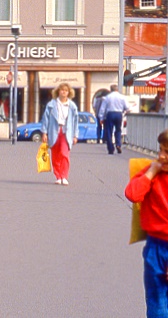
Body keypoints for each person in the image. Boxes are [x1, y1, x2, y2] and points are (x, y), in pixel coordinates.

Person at [126, 129, 168, 318]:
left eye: (167, 152)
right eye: (160, 150)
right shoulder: (153, 172)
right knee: (156, 299)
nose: (161, 156)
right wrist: (150, 173)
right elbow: (132, 194)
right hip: (155, 246)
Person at [41, 82, 78, 185]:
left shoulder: (72, 106)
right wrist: (44, 133)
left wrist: (75, 135)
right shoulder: (51, 105)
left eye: (66, 90)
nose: (64, 92)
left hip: (66, 132)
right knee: (55, 155)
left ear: (69, 92)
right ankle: (58, 176)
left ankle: (64, 176)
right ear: (58, 92)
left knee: (64, 154)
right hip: (54, 131)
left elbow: (75, 121)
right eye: (62, 90)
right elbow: (45, 119)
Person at [99, 83, 129, 155]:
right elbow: (127, 107)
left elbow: (102, 109)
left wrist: (101, 118)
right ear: (117, 90)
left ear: (110, 90)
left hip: (110, 114)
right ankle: (118, 144)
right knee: (118, 130)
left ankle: (110, 148)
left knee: (109, 131)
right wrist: (124, 111)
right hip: (119, 114)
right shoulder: (122, 97)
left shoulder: (107, 97)